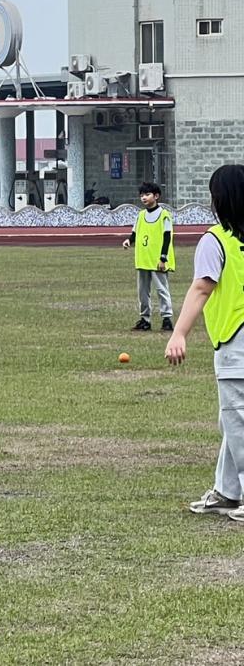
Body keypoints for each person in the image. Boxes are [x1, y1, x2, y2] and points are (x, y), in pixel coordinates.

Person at [166, 165, 244, 522]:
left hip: (236, 341)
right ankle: (227, 491)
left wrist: (179, 332)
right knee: (233, 420)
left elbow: (202, 288)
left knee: (237, 419)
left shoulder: (216, 240)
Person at [123, 181, 175, 332]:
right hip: (143, 259)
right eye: (142, 195)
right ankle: (145, 319)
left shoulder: (164, 215)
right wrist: (129, 241)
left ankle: (167, 319)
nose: (144, 198)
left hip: (157, 260)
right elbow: (135, 233)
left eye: (147, 194)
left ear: (156, 196)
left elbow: (167, 237)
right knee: (143, 292)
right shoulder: (141, 215)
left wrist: (163, 258)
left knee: (161, 289)